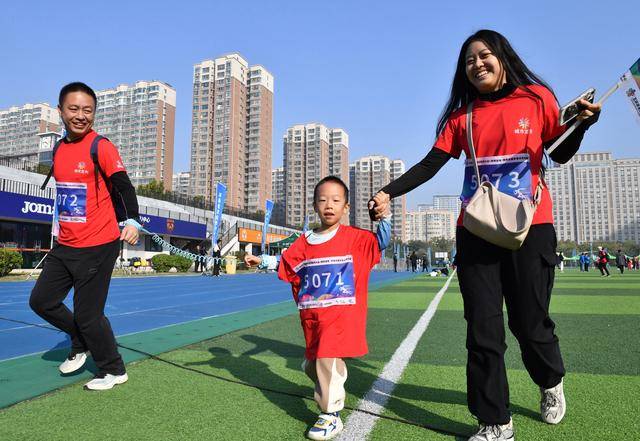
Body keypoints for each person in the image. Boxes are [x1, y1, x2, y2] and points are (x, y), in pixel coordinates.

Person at [369, 30, 601, 440]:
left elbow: (558, 151)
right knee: (482, 328)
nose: (477, 64)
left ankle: (550, 381)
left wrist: (581, 125)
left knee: (530, 324)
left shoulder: (536, 97)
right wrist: (388, 191)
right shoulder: (462, 117)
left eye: (484, 55)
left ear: (503, 58)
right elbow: (430, 164)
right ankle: (495, 420)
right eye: (469, 60)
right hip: (475, 230)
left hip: (531, 227)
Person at [244, 176, 390, 440]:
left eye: (336, 200)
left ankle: (330, 415)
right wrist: (261, 260)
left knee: (327, 359)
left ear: (346, 207)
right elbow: (287, 262)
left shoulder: (356, 238)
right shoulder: (306, 241)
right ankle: (321, 380)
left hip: (342, 317)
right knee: (315, 365)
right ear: (314, 205)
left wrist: (383, 217)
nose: (329, 205)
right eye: (323, 200)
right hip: (314, 317)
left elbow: (380, 242)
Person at [29, 82, 141, 391]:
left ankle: (114, 369)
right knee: (41, 301)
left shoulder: (100, 146)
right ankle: (79, 339)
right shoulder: (59, 148)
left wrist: (132, 221)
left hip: (98, 244)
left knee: (89, 315)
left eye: (87, 110)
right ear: (61, 111)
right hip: (66, 243)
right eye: (74, 109)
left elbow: (123, 186)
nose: (81, 116)